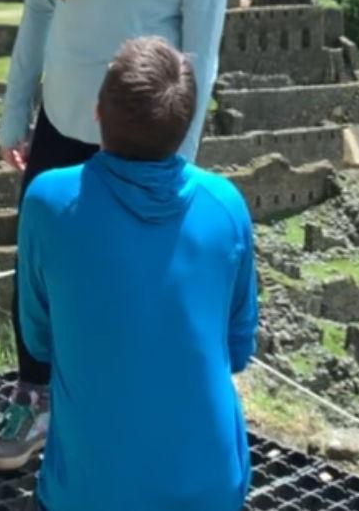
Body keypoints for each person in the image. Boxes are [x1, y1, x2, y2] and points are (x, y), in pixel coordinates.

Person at [0, 0, 232, 472]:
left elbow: (202, 56)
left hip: (143, 140)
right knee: (40, 274)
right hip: (61, 122)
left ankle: (124, 422)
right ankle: (33, 400)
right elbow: (39, 8)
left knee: (133, 286)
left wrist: (179, 162)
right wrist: (14, 111)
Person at [17, 37, 256, 511]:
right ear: (186, 124)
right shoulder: (226, 206)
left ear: (97, 112)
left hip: (88, 495)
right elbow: (238, 348)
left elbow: (38, 339)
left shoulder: (49, 201)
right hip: (212, 490)